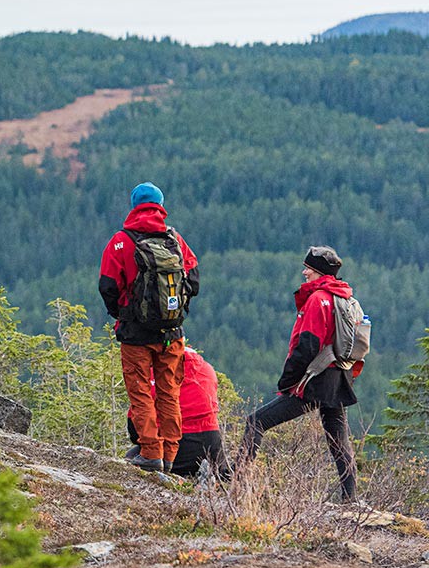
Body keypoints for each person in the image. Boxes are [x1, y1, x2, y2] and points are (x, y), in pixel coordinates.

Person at [235, 246, 359, 503]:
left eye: (309, 269)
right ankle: (351, 499)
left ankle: (237, 484)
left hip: (314, 380)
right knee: (338, 440)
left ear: (319, 272)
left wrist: (288, 380)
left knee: (255, 421)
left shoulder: (317, 299)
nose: (304, 272)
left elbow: (307, 346)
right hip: (338, 378)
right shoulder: (344, 297)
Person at [98, 182, 200, 473]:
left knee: (141, 392)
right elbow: (193, 283)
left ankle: (150, 453)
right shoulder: (175, 240)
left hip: (135, 336)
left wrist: (123, 314)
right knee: (169, 392)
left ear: (134, 206)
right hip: (172, 335)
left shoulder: (121, 241)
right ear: (160, 205)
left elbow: (107, 285)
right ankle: (169, 455)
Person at [126, 345, 225, 477]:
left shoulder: (158, 372)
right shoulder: (207, 370)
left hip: (180, 443)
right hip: (212, 443)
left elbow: (135, 425)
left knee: (133, 459)